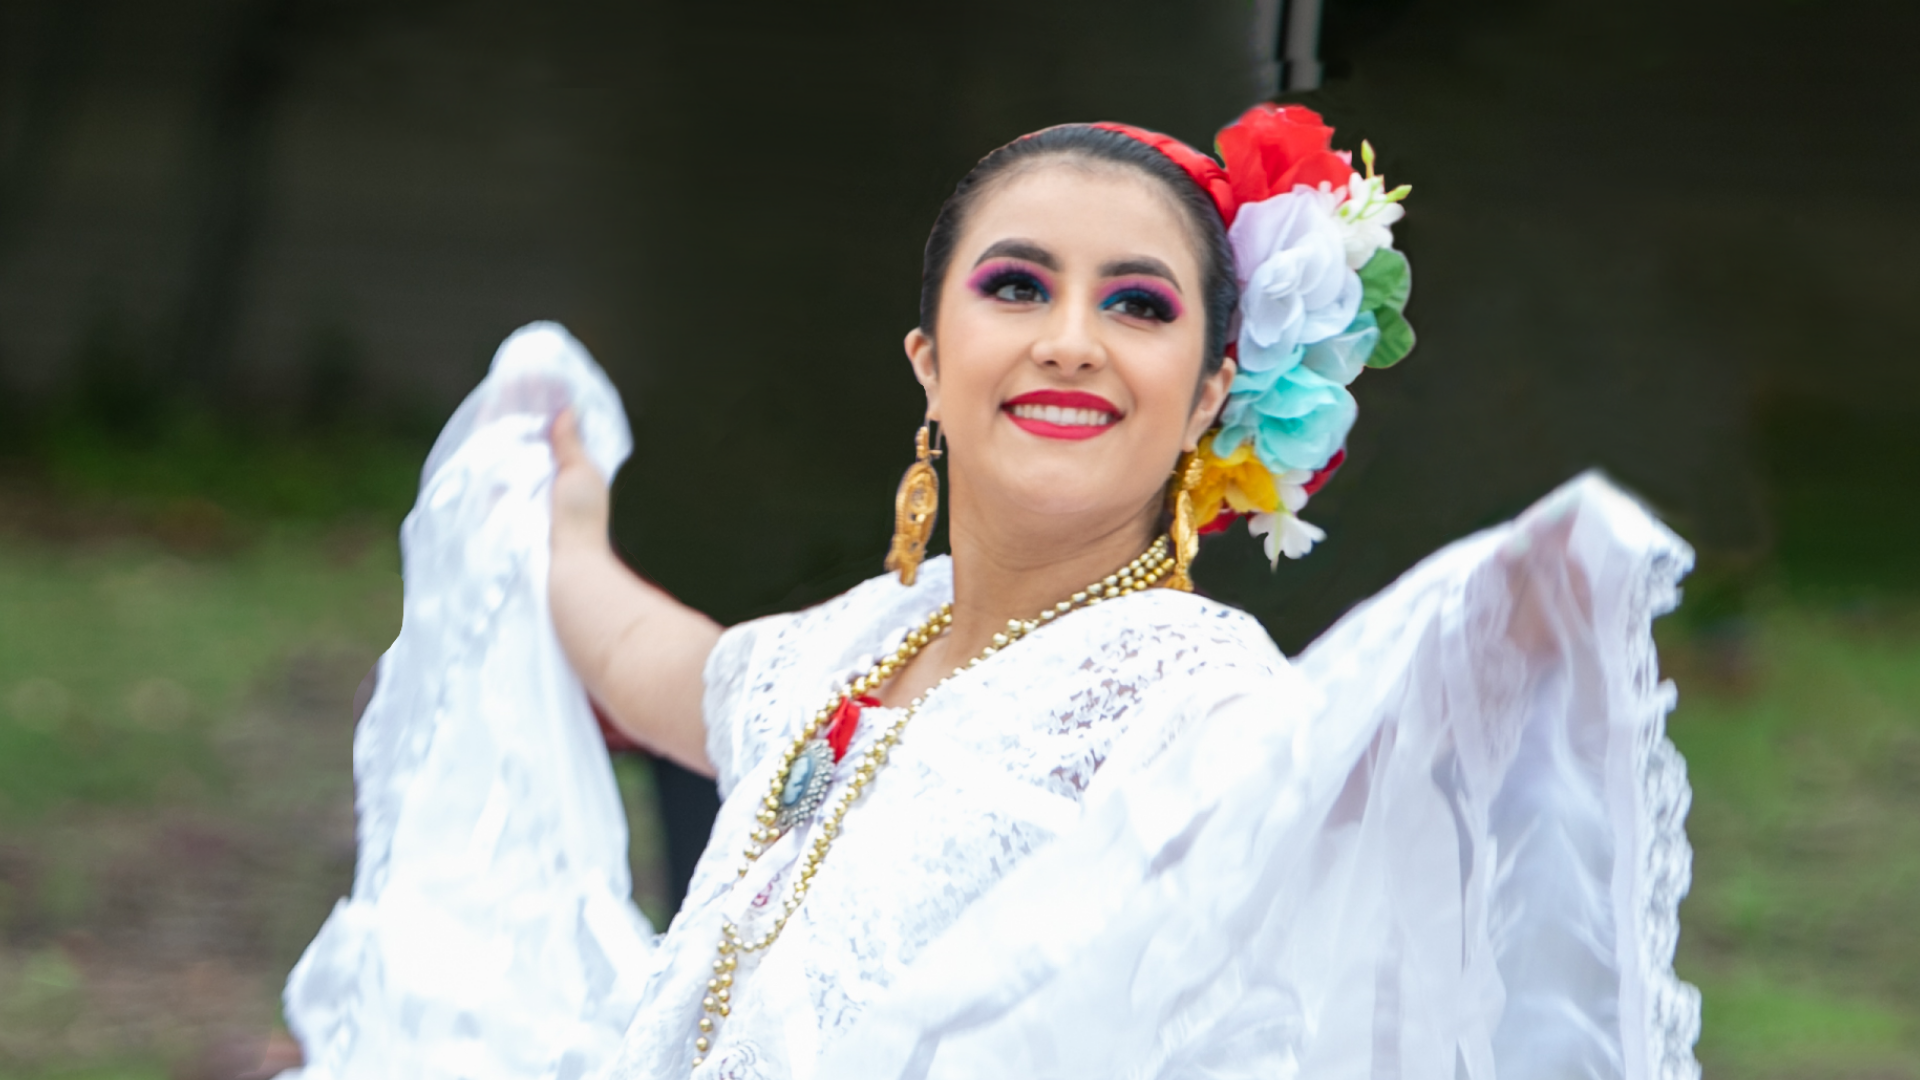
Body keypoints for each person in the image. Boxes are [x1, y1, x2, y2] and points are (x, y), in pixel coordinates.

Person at [279, 107, 1702, 1080]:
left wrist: (1509, 634)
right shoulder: (848, 646)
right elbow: (649, 651)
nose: (1071, 340)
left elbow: (1336, 791)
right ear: (927, 357)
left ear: (1215, 389)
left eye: (1139, 305)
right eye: (1017, 286)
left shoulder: (1194, 691)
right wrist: (548, 499)